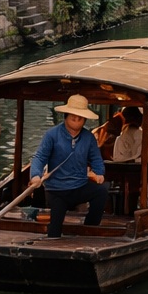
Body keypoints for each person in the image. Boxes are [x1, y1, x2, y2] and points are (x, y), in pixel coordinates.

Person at [26, 94, 107, 238]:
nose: (76, 122)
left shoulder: (88, 137)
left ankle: (89, 228)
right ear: (66, 117)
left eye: (79, 119)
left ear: (84, 120)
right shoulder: (52, 135)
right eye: (73, 118)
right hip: (57, 190)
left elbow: (96, 158)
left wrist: (99, 172)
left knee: (101, 192)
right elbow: (40, 157)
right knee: (55, 229)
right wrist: (36, 175)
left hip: (79, 186)